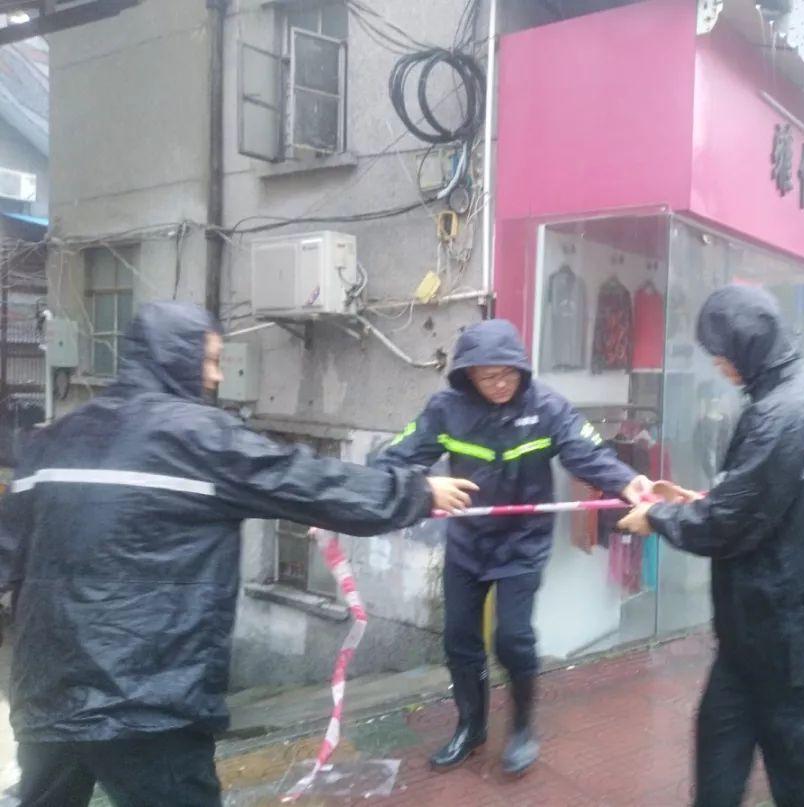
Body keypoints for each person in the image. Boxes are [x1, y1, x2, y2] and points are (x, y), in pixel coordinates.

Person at [0, 301, 477, 807]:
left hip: (46, 695)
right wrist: (416, 493)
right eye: (210, 360)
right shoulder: (198, 436)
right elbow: (307, 481)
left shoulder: (55, 439)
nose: (218, 375)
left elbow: (8, 551)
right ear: (174, 357)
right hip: (146, 700)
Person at [617, 286, 804, 807]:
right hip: (758, 634)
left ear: (748, 345)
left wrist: (655, 516)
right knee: (720, 752)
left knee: (801, 778)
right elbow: (768, 502)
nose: (719, 365)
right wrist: (696, 500)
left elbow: (729, 523)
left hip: (787, 638)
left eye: (722, 354)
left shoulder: (780, 415)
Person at [375, 319, 650, 776]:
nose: (501, 384)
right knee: (459, 639)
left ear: (522, 369)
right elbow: (392, 459)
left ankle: (522, 727)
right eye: (489, 376)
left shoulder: (547, 407)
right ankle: (471, 726)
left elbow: (589, 453)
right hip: (467, 541)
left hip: (523, 542)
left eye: (509, 373)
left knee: (513, 639)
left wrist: (628, 482)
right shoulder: (445, 410)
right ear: (468, 375)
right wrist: (411, 487)